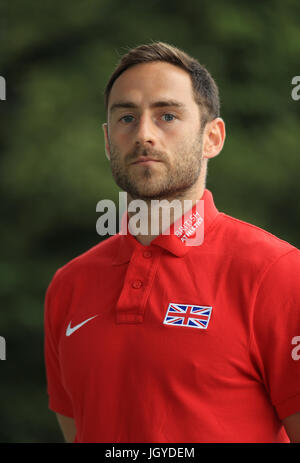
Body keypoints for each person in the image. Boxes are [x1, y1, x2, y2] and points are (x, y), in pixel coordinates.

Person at [44, 41, 300, 443]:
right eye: (126, 118)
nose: (144, 134)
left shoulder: (278, 273)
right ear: (108, 141)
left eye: (167, 115)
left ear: (212, 138)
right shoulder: (68, 286)